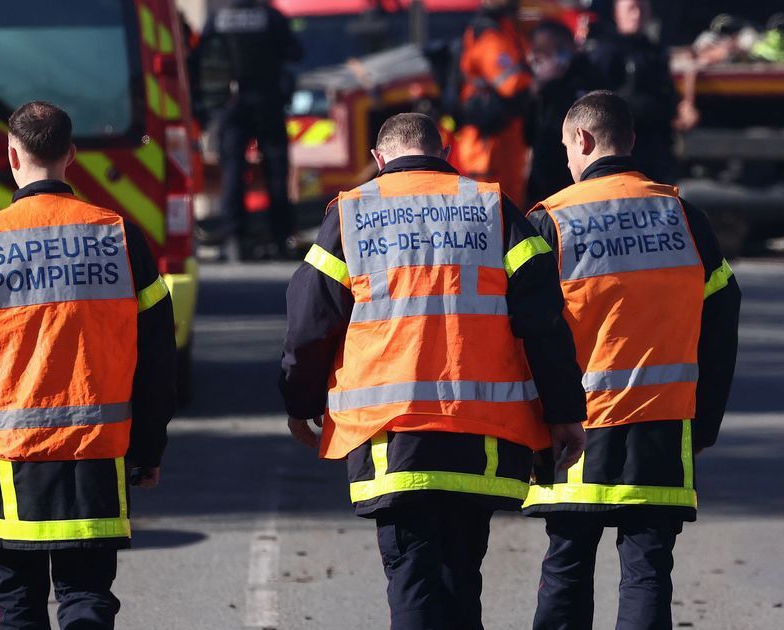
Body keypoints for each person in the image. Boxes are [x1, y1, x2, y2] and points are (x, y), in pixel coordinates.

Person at [280, 113, 587, 629]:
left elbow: (310, 323)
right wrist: (563, 414)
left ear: (379, 158)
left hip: (391, 437)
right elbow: (544, 321)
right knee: (461, 581)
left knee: (412, 583)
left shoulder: (352, 213)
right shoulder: (492, 208)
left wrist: (301, 403)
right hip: (480, 436)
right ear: (444, 155)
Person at [0, 101, 176, 630]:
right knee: (87, 597)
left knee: (19, 603)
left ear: (11, 155)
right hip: (97, 457)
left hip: (8, 462)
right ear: (71, 154)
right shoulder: (119, 237)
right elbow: (158, 356)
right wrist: (147, 447)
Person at [523, 91, 740, 630]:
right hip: (663, 426)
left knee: (566, 564)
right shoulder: (683, 216)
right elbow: (723, 315)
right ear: (632, 141)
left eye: (566, 151)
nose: (567, 164)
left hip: (576, 429)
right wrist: (704, 421)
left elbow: (527, 330)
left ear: (582, 140)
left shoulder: (551, 220)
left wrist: (530, 425)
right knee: (648, 571)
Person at [203, 0, 303, 259]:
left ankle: (234, 239)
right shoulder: (270, 17)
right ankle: (280, 239)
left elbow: (203, 57)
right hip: (267, 100)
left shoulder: (219, 18)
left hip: (231, 102)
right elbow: (295, 52)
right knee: (276, 171)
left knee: (233, 172)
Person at [586, 0, 699, 183]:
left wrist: (681, 108)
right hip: (623, 147)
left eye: (641, 8)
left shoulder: (654, 51)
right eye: (631, 8)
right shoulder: (604, 53)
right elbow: (596, 101)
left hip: (656, 146)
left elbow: (666, 89)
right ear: (616, 13)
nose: (637, 14)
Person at [453, 0, 533, 208]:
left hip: (504, 137)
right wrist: (539, 81)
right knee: (489, 208)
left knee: (510, 206)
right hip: (487, 143)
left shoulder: (503, 27)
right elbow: (511, 84)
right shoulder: (488, 34)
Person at [526, 19, 605, 207]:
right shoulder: (536, 83)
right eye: (538, 50)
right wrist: (538, 88)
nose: (540, 57)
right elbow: (528, 132)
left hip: (579, 172)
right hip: (544, 175)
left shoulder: (588, 75)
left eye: (547, 50)